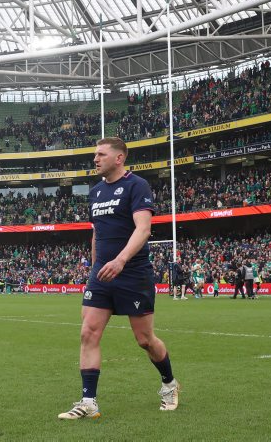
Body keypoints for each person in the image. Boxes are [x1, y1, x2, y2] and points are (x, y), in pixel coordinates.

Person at [58, 137, 179, 420]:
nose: (95, 159)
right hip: (102, 274)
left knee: (145, 340)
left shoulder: (137, 185)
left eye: (101, 154)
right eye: (95, 154)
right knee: (88, 332)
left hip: (133, 273)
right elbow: (97, 233)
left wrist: (121, 260)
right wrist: (94, 267)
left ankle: (169, 384)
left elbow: (143, 229)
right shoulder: (96, 192)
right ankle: (89, 401)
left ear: (119, 158)